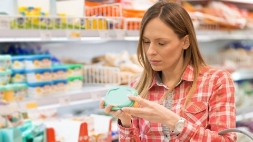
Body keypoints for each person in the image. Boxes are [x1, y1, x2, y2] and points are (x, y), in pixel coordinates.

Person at [100, 1, 236, 142]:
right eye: (146, 42)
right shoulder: (138, 88)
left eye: (162, 43)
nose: (150, 51)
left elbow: (227, 140)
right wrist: (126, 123)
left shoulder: (216, 80)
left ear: (185, 42)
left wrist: (174, 122)